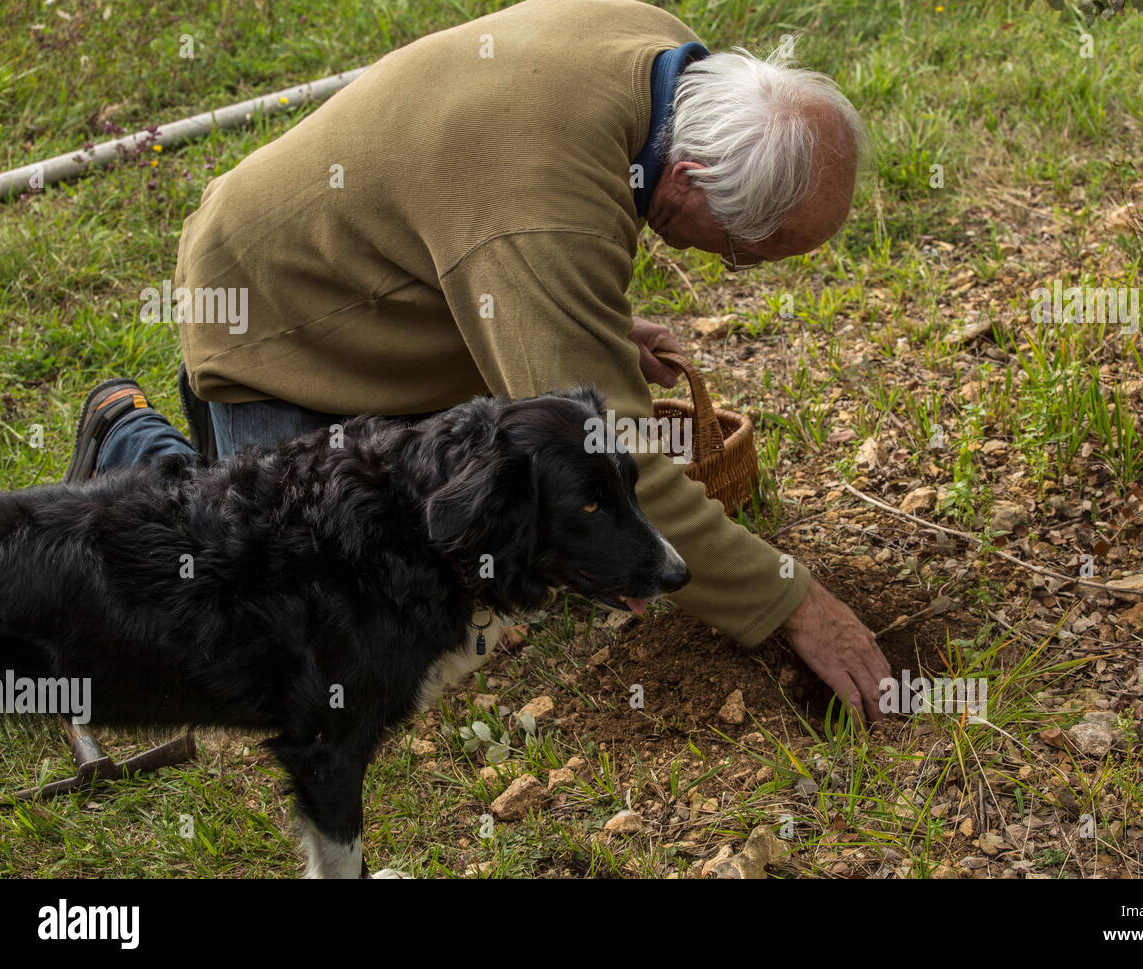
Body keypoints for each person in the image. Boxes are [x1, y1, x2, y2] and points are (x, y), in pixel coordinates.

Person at [71, 0, 891, 720]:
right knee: (289, 620)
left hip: (392, 279)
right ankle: (129, 440)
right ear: (686, 178)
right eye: (743, 252)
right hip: (276, 316)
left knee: (455, 548)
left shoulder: (667, 63)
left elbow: (507, 233)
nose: (729, 265)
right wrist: (793, 602)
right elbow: (625, 453)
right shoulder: (543, 213)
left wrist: (585, 321)